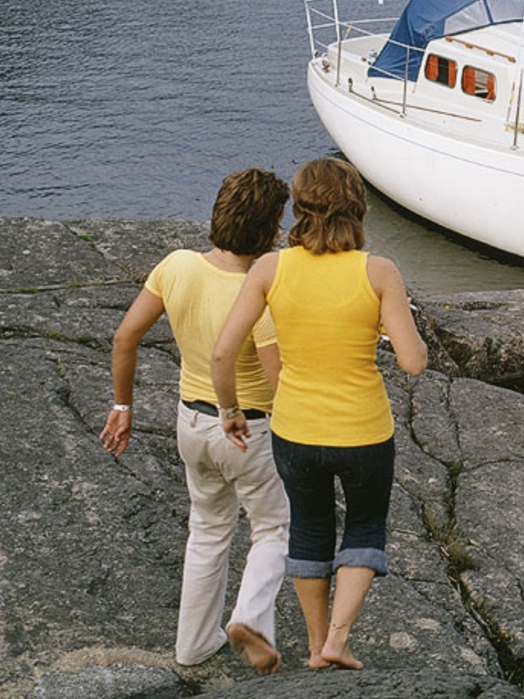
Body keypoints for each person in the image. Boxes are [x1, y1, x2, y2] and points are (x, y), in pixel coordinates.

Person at [211, 157, 427, 671]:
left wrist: (229, 410)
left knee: (309, 528)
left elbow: (223, 352)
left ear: (298, 207)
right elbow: (413, 362)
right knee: (365, 527)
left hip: (294, 429)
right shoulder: (378, 271)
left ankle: (312, 648)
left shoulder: (270, 268)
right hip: (363, 430)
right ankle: (338, 639)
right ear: (358, 205)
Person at [100, 167, 291, 673]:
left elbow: (125, 338)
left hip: (190, 424)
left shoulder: (177, 265)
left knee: (207, 530)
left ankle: (192, 645)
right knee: (274, 529)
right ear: (271, 227)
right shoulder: (260, 290)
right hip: (248, 429)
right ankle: (249, 617)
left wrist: (123, 407)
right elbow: (279, 384)